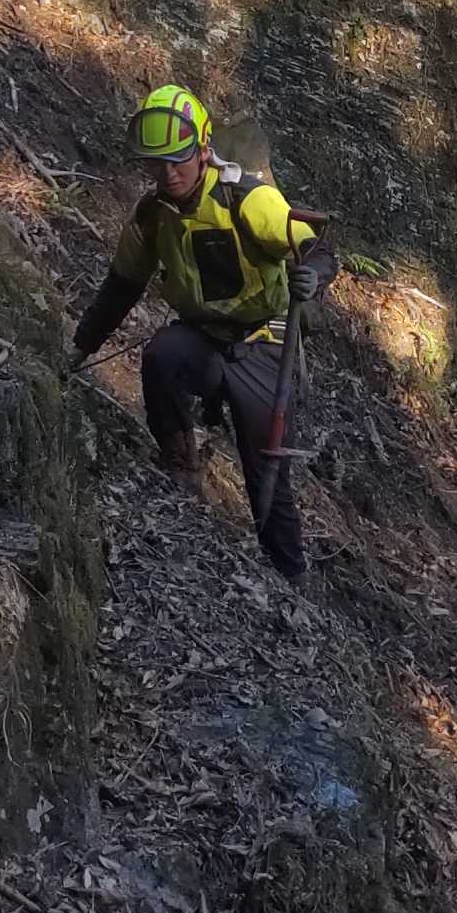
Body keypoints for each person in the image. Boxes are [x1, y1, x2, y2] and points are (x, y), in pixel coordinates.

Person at [67, 85, 332, 580]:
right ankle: (179, 465)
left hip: (263, 341)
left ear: (203, 150)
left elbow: (314, 246)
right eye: (159, 163)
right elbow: (121, 287)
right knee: (162, 355)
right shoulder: (153, 215)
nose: (169, 173)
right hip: (202, 336)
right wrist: (80, 349)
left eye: (179, 160)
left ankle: (289, 576)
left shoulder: (246, 198)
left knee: (266, 470)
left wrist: (313, 277)